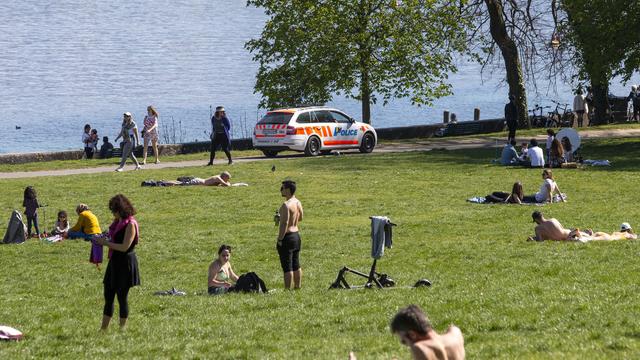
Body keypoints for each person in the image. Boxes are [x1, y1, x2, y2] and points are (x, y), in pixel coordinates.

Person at [94, 194, 141, 331]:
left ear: (120, 210)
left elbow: (124, 247)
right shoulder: (117, 222)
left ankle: (122, 329)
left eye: (114, 210)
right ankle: (103, 329)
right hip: (114, 262)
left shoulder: (131, 224)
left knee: (121, 297)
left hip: (125, 263)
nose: (113, 213)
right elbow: (112, 237)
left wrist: (105, 243)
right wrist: (101, 238)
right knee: (108, 295)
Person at [390, 305, 465, 360]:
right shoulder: (455, 334)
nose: (407, 345)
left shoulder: (420, 347)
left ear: (412, 334)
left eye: (404, 341)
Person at [277, 180, 304, 289]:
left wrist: (280, 239)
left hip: (287, 237)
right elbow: (301, 217)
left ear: (288, 190)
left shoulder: (285, 205)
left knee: (287, 266)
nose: (281, 190)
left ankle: (287, 288)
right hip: (296, 236)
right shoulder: (297, 202)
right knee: (296, 263)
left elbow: (284, 223)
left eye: (282, 188)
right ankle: (297, 287)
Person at [161, 171, 232, 186]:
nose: (228, 180)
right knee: (180, 184)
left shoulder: (219, 178)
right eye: (227, 178)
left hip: (198, 180)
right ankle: (164, 182)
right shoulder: (218, 178)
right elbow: (226, 185)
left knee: (180, 183)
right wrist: (228, 183)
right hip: (197, 182)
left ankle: (165, 181)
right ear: (224, 177)